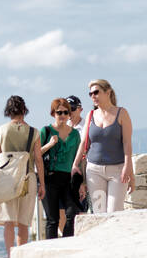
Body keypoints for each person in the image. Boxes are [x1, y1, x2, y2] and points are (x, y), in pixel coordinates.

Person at [72, 79, 133, 213]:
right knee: (99, 212)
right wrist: (75, 164)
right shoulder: (91, 115)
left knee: (114, 212)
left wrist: (129, 168)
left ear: (108, 92)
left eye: (96, 92)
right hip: (94, 170)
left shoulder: (122, 113)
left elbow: (127, 143)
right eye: (90, 94)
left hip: (117, 170)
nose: (93, 96)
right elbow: (83, 142)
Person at [0, 96, 45, 257]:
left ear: (8, 112)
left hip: (8, 178)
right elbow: (38, 159)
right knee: (24, 221)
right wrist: (41, 183)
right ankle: (20, 255)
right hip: (27, 177)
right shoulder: (34, 132)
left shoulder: (1, 130)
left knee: (9, 221)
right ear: (24, 110)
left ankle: (10, 256)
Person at [39, 97, 81, 239]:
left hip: (68, 179)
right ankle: (50, 251)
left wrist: (83, 183)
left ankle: (67, 243)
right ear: (53, 113)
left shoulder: (75, 134)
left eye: (65, 112)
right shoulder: (46, 131)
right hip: (50, 178)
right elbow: (35, 154)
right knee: (52, 219)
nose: (63, 115)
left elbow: (79, 159)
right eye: (59, 112)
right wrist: (50, 145)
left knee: (72, 214)